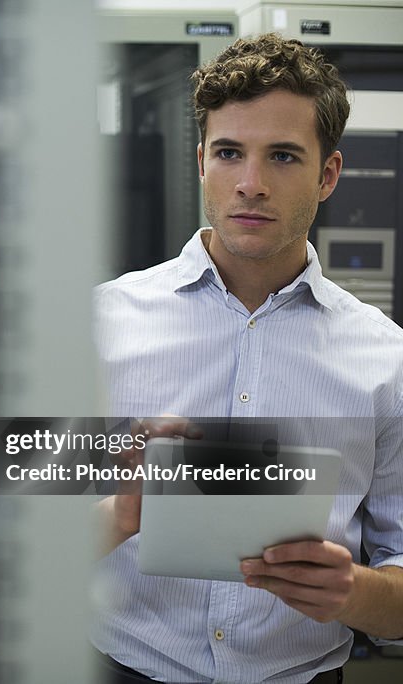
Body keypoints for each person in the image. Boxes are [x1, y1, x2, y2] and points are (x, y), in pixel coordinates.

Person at [93, 33, 403, 683]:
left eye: (284, 156)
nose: (252, 184)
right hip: (124, 667)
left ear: (328, 175)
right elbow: (11, 550)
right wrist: (117, 516)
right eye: (230, 153)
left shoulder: (387, 360)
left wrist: (353, 594)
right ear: (202, 160)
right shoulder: (100, 326)